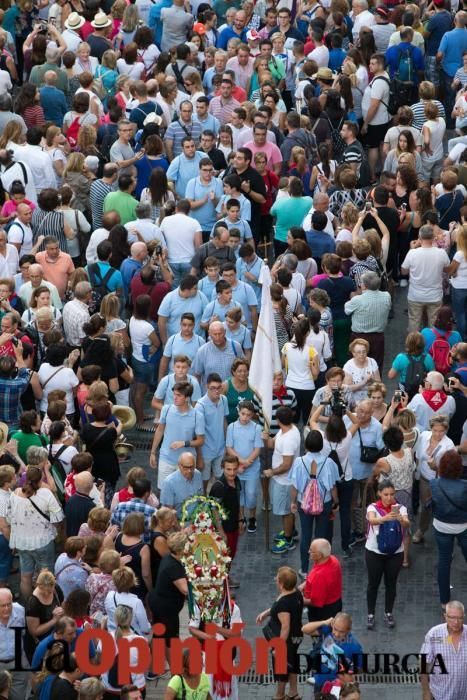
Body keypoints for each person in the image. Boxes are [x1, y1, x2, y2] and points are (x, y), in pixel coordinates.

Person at [289, 431, 340, 574]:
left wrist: (293, 502)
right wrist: (336, 502)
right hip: (325, 503)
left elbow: (294, 486)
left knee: (306, 536)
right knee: (321, 536)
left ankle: (304, 569)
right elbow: (333, 487)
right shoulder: (329, 463)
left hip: (303, 503)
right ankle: (320, 567)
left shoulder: (299, 462)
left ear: (306, 444)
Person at [365, 479, 409, 630]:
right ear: (379, 494)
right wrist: (385, 518)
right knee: (373, 584)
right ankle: (370, 614)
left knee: (391, 584)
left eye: (391, 494)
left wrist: (401, 520)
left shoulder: (400, 508)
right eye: (385, 494)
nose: (389, 498)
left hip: (396, 553)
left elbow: (407, 524)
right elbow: (371, 519)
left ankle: (388, 612)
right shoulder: (373, 507)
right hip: (374, 552)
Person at [256, 566, 303, 700]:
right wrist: (267, 612)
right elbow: (283, 606)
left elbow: (285, 626)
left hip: (286, 639)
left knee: (281, 666)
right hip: (297, 636)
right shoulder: (296, 592)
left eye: (277, 578)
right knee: (292, 662)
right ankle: (293, 692)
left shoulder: (283, 602)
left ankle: (279, 695)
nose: (276, 579)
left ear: (281, 584)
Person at [429, 450, 467, 607]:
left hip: (442, 526)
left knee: (444, 562)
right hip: (462, 526)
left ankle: (444, 601)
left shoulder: (434, 484)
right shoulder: (465, 486)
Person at [263, 406, 301, 555]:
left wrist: (271, 472)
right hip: (282, 480)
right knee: (286, 510)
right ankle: (291, 530)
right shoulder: (287, 429)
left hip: (285, 481)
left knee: (285, 512)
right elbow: (273, 443)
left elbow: (286, 465)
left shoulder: (289, 440)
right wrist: (266, 439)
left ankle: (288, 539)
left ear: (278, 420)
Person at [148, 532, 188, 657]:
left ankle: (155, 667)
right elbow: (185, 590)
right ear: (182, 549)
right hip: (166, 609)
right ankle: (176, 669)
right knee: (172, 640)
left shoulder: (169, 557)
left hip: (158, 604)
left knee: (159, 636)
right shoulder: (173, 567)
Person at [302, 612, 362, 692]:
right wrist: (324, 622)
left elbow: (359, 668)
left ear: (348, 630)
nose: (336, 634)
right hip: (319, 681)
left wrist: (347, 673)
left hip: (337, 687)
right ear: (332, 624)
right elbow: (304, 629)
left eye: (341, 632)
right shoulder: (328, 630)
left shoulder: (355, 647)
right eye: (335, 629)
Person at [420, 601, 467, 700]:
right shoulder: (434, 635)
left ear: (464, 616)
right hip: (440, 695)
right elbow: (423, 664)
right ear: (445, 616)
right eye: (452, 617)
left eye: (460, 618)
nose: (456, 622)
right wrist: (426, 692)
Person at [159, 452, 203, 518]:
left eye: (192, 467)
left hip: (197, 519)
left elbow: (201, 499)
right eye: (186, 467)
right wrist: (179, 528)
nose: (189, 471)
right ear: (179, 465)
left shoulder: (198, 475)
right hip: (179, 521)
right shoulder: (169, 483)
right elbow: (169, 511)